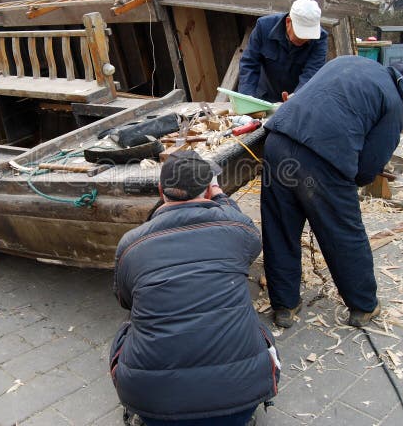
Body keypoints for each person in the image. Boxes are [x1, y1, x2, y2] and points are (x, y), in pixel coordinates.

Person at [110, 150, 279, 425]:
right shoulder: (237, 227)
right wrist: (221, 197)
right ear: (207, 190)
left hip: (154, 410)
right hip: (241, 405)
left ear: (160, 189)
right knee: (256, 327)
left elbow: (125, 300)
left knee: (127, 327)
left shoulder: (130, 244)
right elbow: (248, 241)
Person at [262, 56, 403, 329]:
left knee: (280, 228)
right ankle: (363, 305)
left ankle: (284, 305)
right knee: (343, 233)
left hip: (278, 139)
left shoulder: (348, 61)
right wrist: (347, 182)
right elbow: (369, 168)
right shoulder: (393, 102)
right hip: (324, 157)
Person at [238, 0, 328, 102]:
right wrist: (247, 97)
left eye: (309, 35)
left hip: (296, 99)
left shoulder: (320, 39)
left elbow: (312, 73)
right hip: (263, 97)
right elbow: (249, 63)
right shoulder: (264, 27)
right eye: (301, 34)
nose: (305, 39)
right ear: (288, 22)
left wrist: (297, 97)